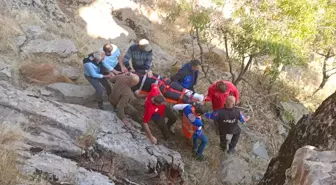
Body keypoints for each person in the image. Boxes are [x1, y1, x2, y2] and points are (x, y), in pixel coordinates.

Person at [131, 72, 204, 104]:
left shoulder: (136, 72)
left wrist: (149, 71)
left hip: (164, 80)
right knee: (180, 97)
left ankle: (198, 96)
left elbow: (148, 70)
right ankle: (195, 103)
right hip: (160, 90)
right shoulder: (132, 83)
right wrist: (151, 94)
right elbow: (137, 95)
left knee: (182, 89)